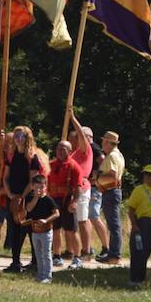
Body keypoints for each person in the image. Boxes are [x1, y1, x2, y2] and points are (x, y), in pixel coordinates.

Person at [1, 126, 47, 273]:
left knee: (29, 230)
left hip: (27, 199)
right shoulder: (11, 155)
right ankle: (15, 263)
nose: (17, 138)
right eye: (16, 135)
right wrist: (10, 194)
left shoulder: (32, 157)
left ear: (27, 137)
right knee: (14, 231)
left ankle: (35, 262)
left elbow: (32, 179)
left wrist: (22, 196)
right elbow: (5, 177)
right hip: (13, 198)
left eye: (20, 135)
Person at [47, 138, 83, 269]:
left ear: (70, 151)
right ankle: (56, 256)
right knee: (55, 230)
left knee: (71, 230)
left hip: (66, 200)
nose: (60, 151)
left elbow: (78, 187)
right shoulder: (50, 164)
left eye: (63, 149)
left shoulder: (74, 166)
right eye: (58, 149)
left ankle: (77, 258)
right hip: (53, 201)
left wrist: (74, 202)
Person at [65, 113, 95, 264]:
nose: (73, 139)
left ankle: (86, 251)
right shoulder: (73, 153)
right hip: (71, 188)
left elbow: (82, 135)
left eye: (75, 137)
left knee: (83, 220)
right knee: (73, 221)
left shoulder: (85, 150)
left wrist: (72, 118)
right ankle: (72, 250)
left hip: (82, 188)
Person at [21, 173, 59, 283]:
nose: (39, 190)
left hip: (46, 231)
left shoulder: (48, 200)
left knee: (46, 253)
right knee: (38, 253)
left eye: (42, 187)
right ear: (32, 187)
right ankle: (40, 274)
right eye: (37, 187)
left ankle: (48, 276)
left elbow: (57, 213)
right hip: (35, 231)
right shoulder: (30, 198)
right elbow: (29, 209)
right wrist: (36, 198)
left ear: (45, 187)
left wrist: (46, 220)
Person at [96, 130, 125, 264]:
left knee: (113, 225)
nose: (102, 143)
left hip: (110, 191)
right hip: (112, 191)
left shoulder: (112, 156)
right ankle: (114, 254)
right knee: (114, 224)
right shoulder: (118, 155)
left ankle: (114, 255)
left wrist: (97, 178)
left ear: (108, 142)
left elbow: (112, 176)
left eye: (103, 141)